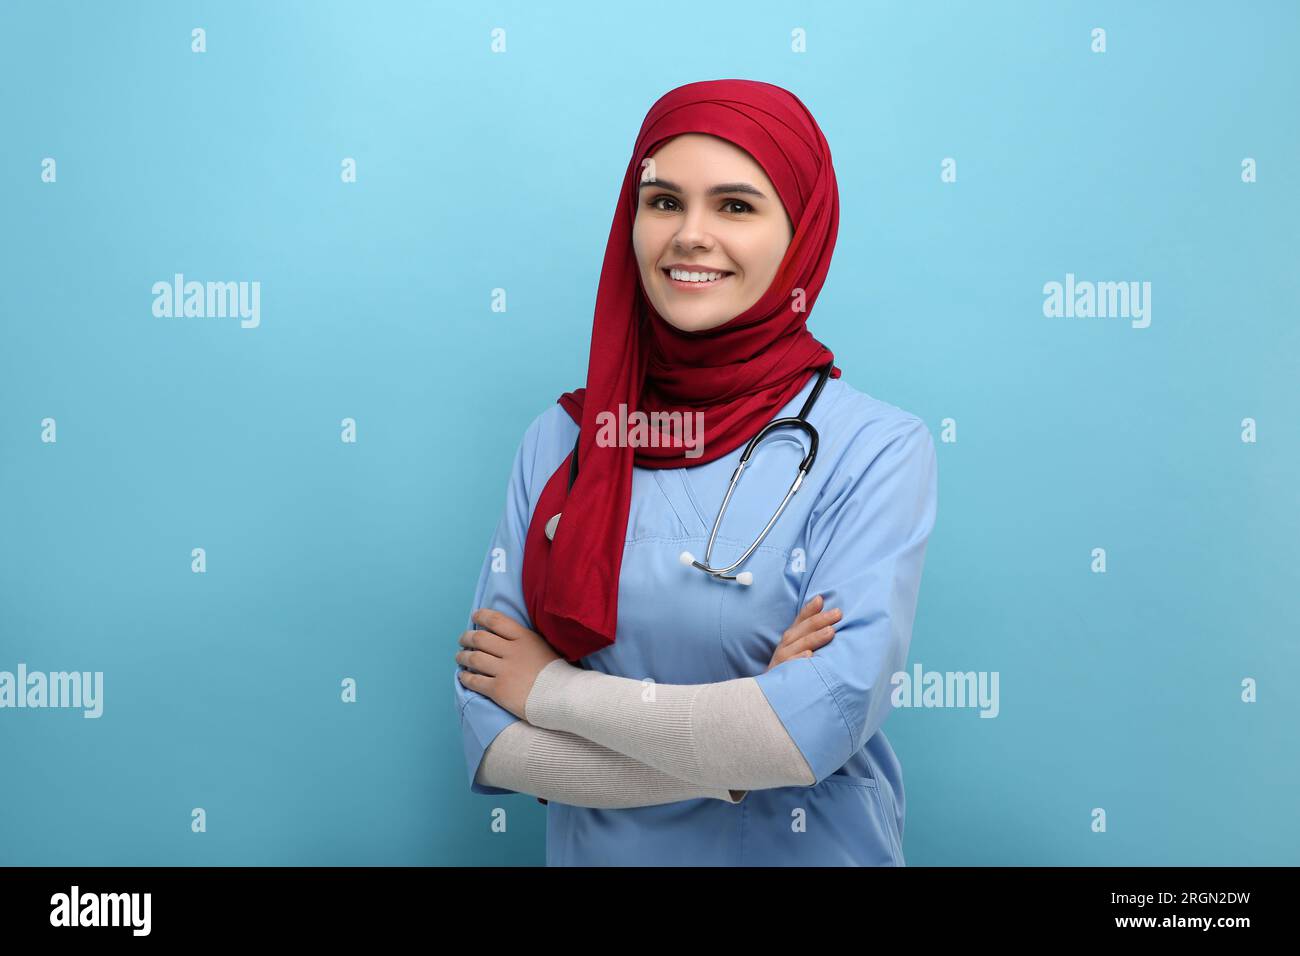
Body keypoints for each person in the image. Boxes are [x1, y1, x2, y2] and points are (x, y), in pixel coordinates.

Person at [452, 78, 938, 866]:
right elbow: (492, 732)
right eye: (665, 201)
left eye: (736, 207)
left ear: (800, 234)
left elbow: (815, 725)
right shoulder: (563, 441)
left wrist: (550, 692)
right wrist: (735, 747)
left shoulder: (875, 448)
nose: (690, 235)